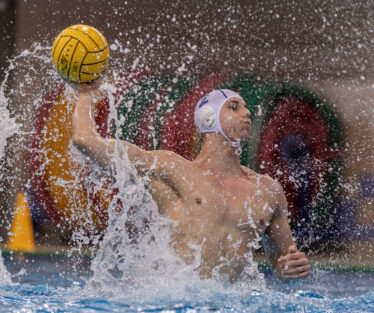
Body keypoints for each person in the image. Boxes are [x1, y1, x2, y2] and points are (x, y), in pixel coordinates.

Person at [71, 82, 311, 282]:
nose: (246, 113)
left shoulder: (267, 190)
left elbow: (282, 266)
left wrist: (291, 269)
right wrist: (85, 92)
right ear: (208, 118)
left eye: (247, 108)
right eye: (234, 107)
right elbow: (85, 140)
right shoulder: (172, 169)